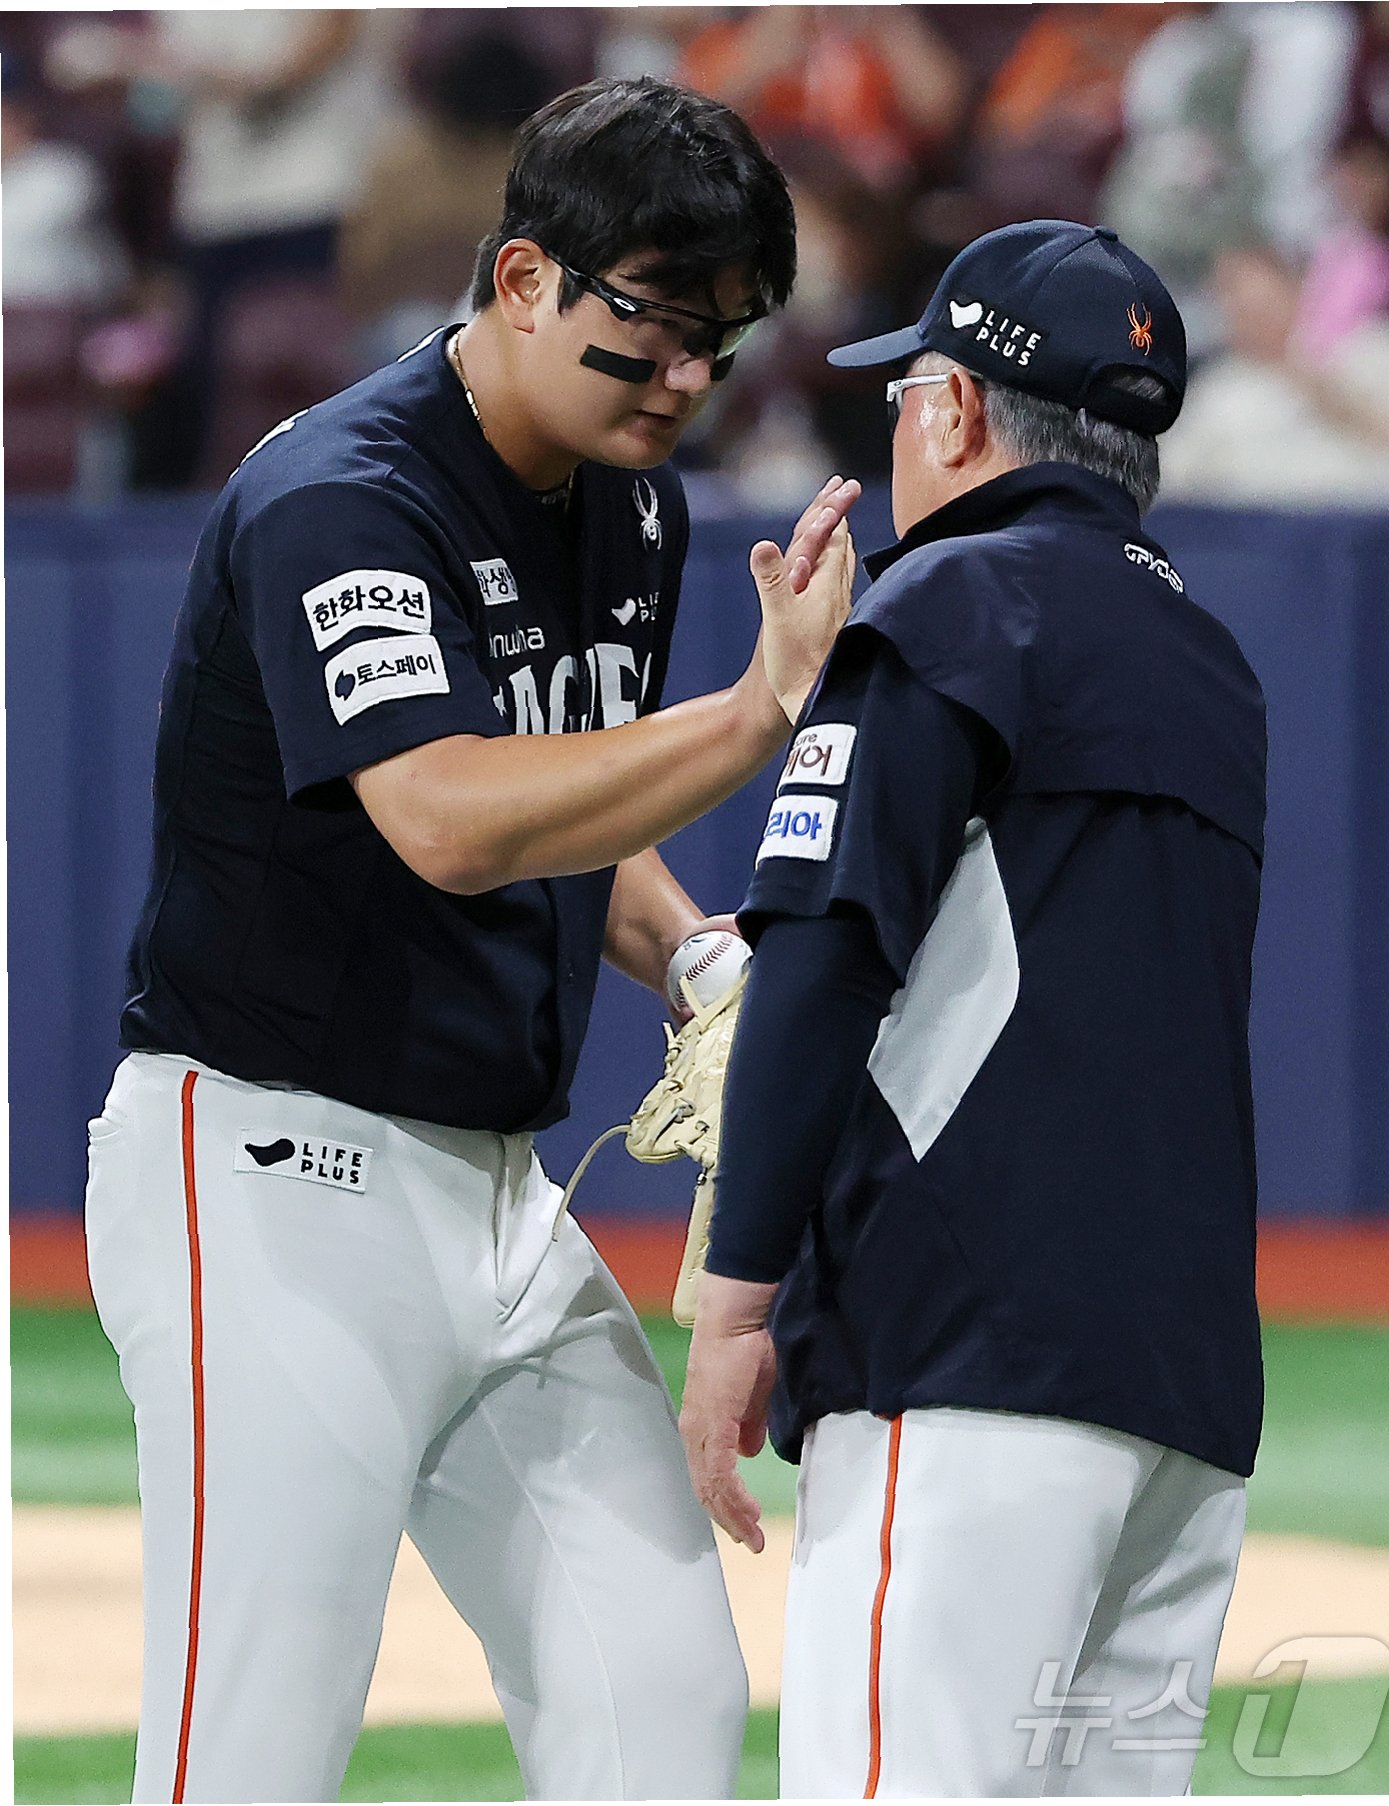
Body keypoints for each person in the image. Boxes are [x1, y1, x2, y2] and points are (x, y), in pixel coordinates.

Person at [84, 77, 859, 1804]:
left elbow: (560, 790)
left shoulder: (630, 500)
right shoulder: (341, 493)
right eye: (652, 326)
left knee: (660, 1696)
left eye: (718, 342)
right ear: (522, 278)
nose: (684, 378)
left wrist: (698, 957)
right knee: (248, 1748)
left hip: (500, 1194)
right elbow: (444, 810)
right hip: (275, 1168)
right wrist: (755, 713)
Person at [680, 220, 1268, 1797]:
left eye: (904, 395)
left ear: (951, 412)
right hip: (1181, 1391)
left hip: (966, 1360)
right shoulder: (1210, 662)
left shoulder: (946, 605)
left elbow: (823, 962)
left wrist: (734, 1311)